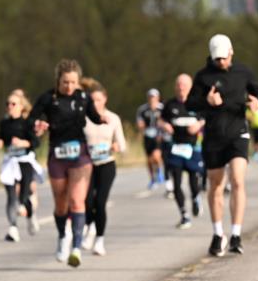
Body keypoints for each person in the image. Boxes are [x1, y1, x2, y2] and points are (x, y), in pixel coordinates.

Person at [186, 34, 258, 256]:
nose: (221, 62)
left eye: (224, 57)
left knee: (238, 180)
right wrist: (206, 102)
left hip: (238, 132)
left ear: (231, 52)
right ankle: (218, 233)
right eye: (217, 59)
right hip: (213, 136)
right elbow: (190, 103)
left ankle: (236, 234)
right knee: (215, 185)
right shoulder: (203, 76)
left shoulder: (244, 72)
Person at [31, 59, 108, 267]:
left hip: (80, 154)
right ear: (58, 81)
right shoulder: (48, 98)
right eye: (66, 82)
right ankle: (62, 237)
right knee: (61, 204)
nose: (70, 86)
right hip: (57, 153)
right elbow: (32, 119)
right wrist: (39, 125)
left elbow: (93, 115)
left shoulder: (83, 96)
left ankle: (76, 246)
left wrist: (101, 119)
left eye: (73, 82)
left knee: (77, 201)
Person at [80, 77, 126, 255]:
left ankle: (99, 240)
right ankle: (90, 226)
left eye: (99, 100)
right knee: (86, 201)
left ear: (105, 99)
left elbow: (122, 144)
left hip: (106, 164)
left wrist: (114, 146)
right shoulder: (85, 118)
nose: (96, 103)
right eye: (93, 100)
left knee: (100, 202)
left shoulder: (113, 118)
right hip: (87, 164)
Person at [160, 74, 206, 229]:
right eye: (179, 84)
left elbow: (206, 117)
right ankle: (184, 215)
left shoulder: (197, 103)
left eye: (184, 85)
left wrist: (198, 125)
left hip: (193, 148)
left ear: (190, 86)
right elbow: (161, 119)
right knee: (176, 183)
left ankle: (195, 199)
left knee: (194, 181)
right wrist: (164, 125)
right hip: (176, 148)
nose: (181, 88)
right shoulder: (170, 104)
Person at [0, 89, 41, 242]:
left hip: (25, 161)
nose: (10, 106)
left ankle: (30, 215)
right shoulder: (4, 123)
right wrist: (0, 141)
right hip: (10, 161)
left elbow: (36, 142)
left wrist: (23, 142)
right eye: (7, 103)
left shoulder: (27, 122)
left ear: (21, 106)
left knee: (25, 193)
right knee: (10, 195)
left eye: (13, 103)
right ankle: (13, 228)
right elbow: (2, 137)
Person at [136, 88, 165, 190]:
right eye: (150, 97)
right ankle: (152, 179)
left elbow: (165, 121)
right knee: (149, 160)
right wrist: (141, 127)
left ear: (158, 98)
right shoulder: (143, 109)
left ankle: (160, 171)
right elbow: (140, 122)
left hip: (159, 135)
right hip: (148, 135)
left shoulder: (162, 108)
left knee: (156, 156)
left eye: (154, 97)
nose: (152, 99)